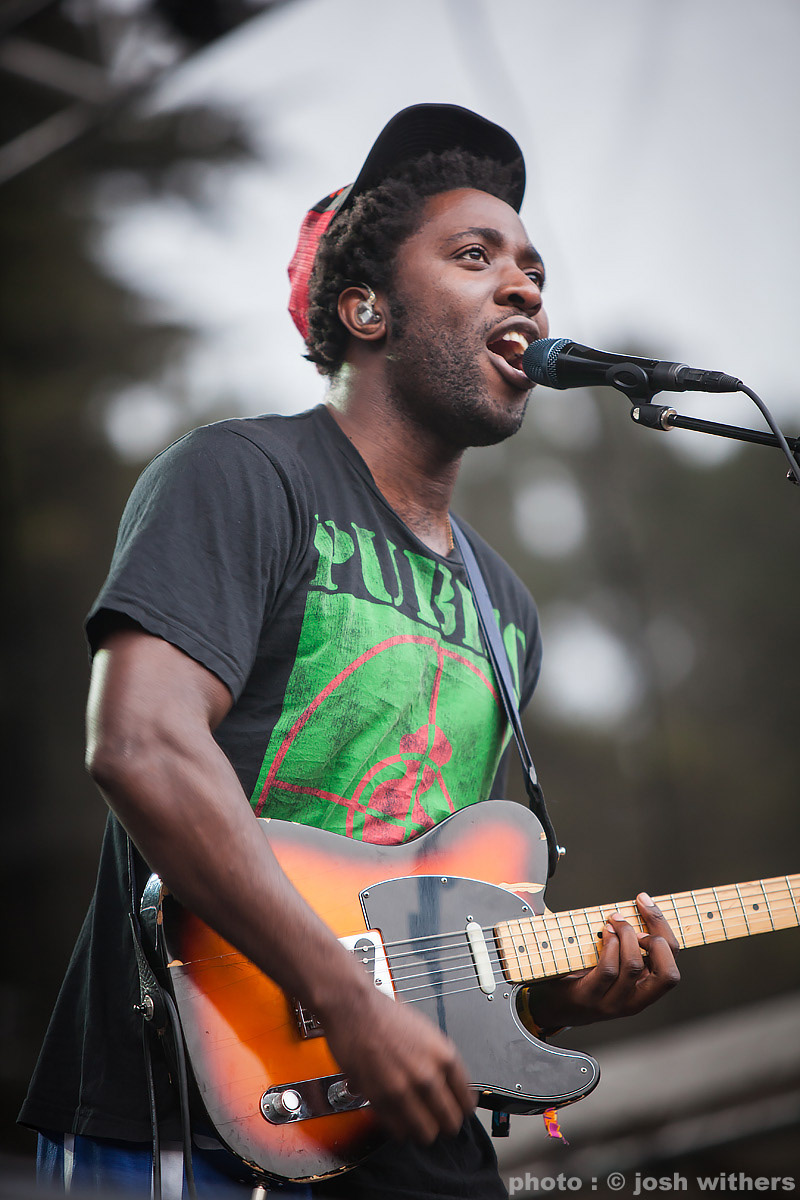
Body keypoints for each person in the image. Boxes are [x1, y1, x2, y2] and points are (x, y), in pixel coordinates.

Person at [21, 104, 680, 1198]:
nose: (524, 288)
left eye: (533, 269)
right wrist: (342, 996)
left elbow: (423, 906)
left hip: (414, 1149)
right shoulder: (241, 477)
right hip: (194, 1114)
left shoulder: (507, 609)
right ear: (364, 308)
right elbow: (141, 746)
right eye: (474, 256)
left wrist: (550, 999)